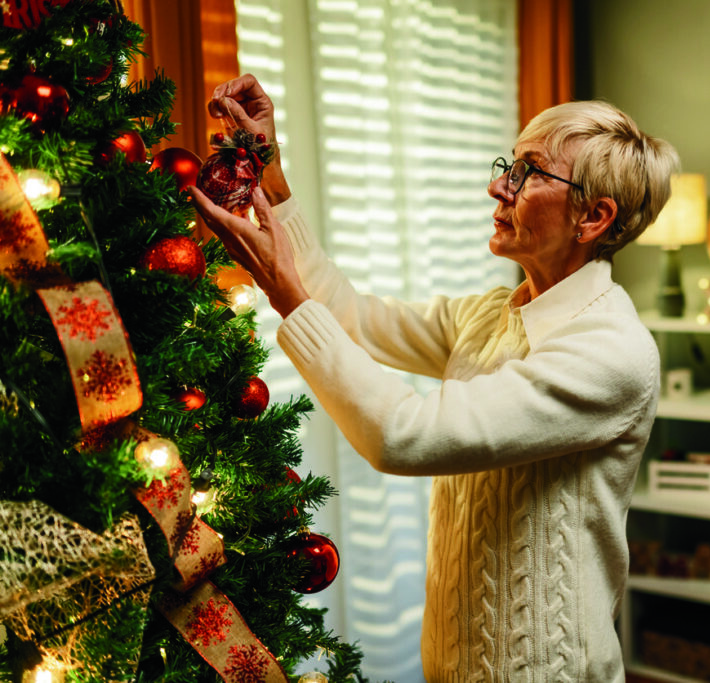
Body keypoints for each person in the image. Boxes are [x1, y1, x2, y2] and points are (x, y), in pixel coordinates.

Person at [190, 73, 679, 682]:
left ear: (593, 218)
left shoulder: (610, 351)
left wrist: (282, 289)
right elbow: (352, 318)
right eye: (510, 165)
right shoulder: (488, 315)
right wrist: (271, 178)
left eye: (529, 173)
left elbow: (405, 435)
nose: (497, 185)